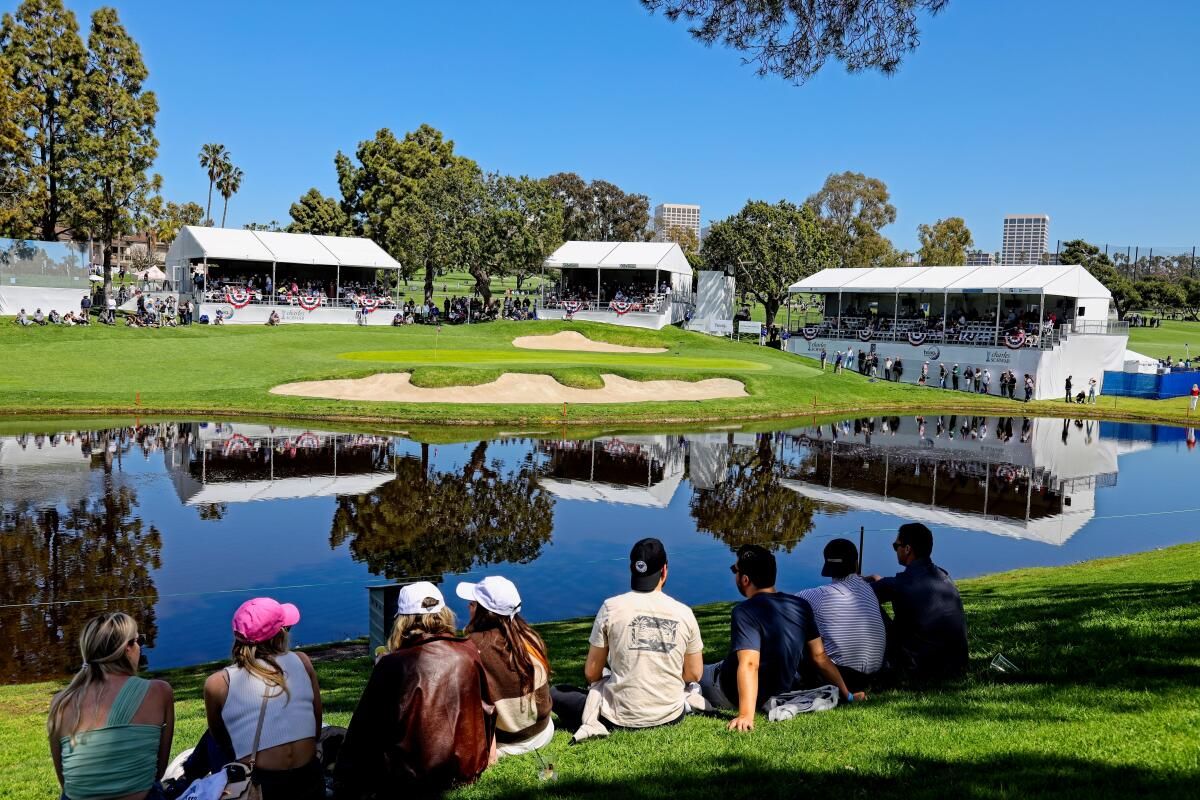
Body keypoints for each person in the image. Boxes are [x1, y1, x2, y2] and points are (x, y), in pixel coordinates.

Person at [335, 582, 493, 797]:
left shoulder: (394, 663)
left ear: (403, 620)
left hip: (410, 776)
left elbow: (364, 730)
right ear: (444, 614)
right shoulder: (469, 652)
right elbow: (487, 711)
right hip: (464, 768)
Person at [699, 545, 864, 732]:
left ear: (745, 579)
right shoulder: (801, 606)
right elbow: (820, 657)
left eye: (735, 570)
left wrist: (746, 715)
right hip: (777, 690)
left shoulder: (745, 611)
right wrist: (848, 695)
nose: (734, 574)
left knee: (690, 671)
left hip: (725, 687)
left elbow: (750, 664)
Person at [550, 538, 703, 733]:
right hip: (670, 714)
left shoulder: (610, 607)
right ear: (664, 571)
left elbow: (591, 673)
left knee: (555, 693)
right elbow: (694, 673)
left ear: (632, 569)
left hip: (619, 717)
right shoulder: (684, 613)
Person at [201, 597, 323, 799]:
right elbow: (315, 728)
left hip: (261, 786)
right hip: (309, 778)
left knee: (211, 740)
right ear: (279, 635)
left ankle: (187, 779)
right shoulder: (302, 661)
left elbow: (221, 740)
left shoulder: (218, 683)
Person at [48, 612, 175, 800]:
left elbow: (66, 783)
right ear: (127, 648)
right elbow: (158, 771)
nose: (140, 646)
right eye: (138, 640)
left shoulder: (60, 702)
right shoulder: (159, 691)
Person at [457, 576, 553, 757]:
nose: (468, 606)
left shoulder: (472, 648)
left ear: (482, 611)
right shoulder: (529, 637)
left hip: (507, 744)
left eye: (472, 603)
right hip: (543, 733)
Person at [866, 523, 968, 682]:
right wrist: (874, 578)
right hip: (956, 665)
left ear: (907, 549)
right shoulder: (943, 575)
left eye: (896, 545)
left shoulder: (900, 584)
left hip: (919, 670)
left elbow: (859, 595)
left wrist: (854, 581)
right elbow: (893, 585)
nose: (895, 550)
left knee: (868, 603)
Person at [796, 539, 887, 691]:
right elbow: (855, 582)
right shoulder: (869, 590)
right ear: (856, 564)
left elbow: (785, 603)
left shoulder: (817, 596)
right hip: (875, 675)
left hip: (842, 678)